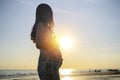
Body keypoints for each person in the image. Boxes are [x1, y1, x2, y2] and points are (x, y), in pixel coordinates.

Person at [31, 3, 63, 80]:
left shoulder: (46, 27)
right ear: (44, 14)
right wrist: (54, 46)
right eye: (49, 13)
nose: (50, 16)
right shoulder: (41, 25)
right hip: (47, 64)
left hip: (51, 65)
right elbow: (39, 44)